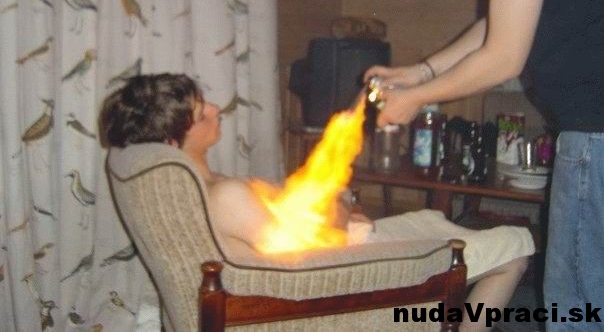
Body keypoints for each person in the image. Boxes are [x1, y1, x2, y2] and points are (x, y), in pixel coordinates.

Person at [100, 73, 533, 331]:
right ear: (172, 141)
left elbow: (286, 220)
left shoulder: (199, 186)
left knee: (432, 216)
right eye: (201, 112)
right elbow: (302, 258)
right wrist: (343, 219)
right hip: (338, 279)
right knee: (516, 245)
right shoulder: (224, 196)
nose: (215, 108)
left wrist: (331, 181)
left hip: (330, 253)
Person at [365, 0, 604, 329]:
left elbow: (503, 57)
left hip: (596, 135)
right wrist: (420, 73)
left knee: (579, 309)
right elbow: (501, 22)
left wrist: (415, 99)